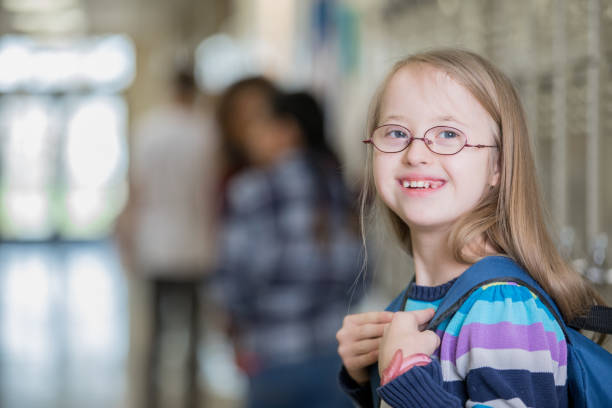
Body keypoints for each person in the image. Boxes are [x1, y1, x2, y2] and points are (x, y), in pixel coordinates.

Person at [336, 48, 608, 407]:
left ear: (498, 166)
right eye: (397, 132)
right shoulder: (416, 300)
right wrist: (366, 376)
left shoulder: (502, 309)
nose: (416, 154)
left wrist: (404, 377)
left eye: (449, 134)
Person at [213, 81, 361, 408]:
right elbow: (363, 274)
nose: (251, 134)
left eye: (261, 123)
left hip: (271, 358)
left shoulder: (251, 191)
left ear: (287, 131)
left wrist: (236, 335)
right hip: (334, 358)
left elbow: (232, 282)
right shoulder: (339, 190)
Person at [117, 67, 219, 408]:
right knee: (193, 334)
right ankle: (190, 398)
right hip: (196, 245)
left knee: (154, 334)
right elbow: (212, 195)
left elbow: (136, 190)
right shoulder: (206, 131)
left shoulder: (148, 129)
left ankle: (149, 398)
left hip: (155, 244)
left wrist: (126, 241)